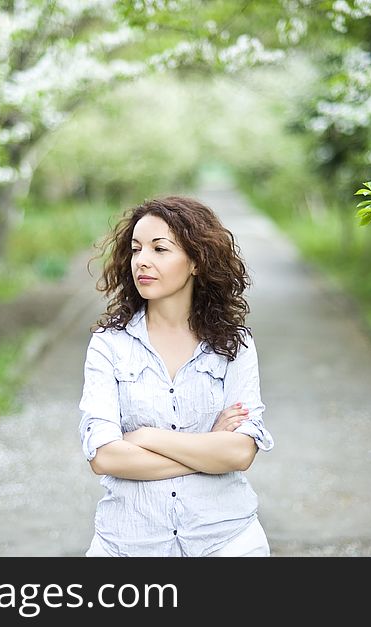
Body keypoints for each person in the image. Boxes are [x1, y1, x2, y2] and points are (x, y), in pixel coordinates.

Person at [77, 195, 274, 557]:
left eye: (159, 249)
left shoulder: (234, 345)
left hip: (226, 541)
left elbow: (240, 453)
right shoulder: (109, 345)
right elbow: (105, 458)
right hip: (128, 544)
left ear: (197, 261)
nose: (143, 261)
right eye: (136, 250)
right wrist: (207, 446)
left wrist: (146, 437)